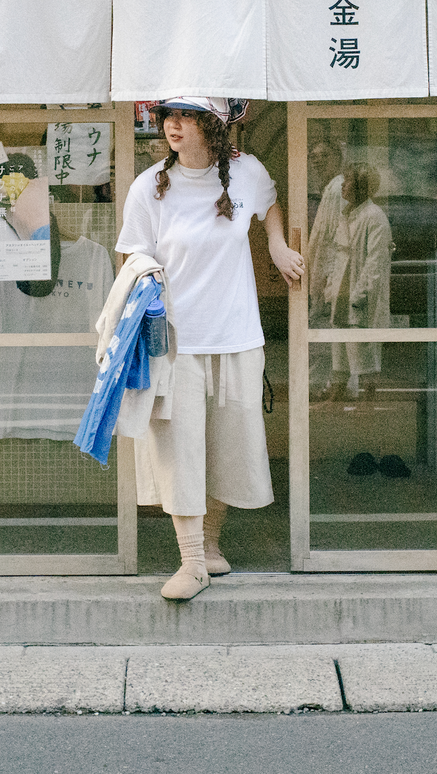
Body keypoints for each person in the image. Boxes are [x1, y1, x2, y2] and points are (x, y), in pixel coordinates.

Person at [114, 96, 304, 601]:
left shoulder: (247, 173)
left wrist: (277, 244)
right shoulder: (148, 187)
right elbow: (129, 254)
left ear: (213, 125)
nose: (174, 125)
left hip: (237, 336)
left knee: (226, 446)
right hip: (175, 343)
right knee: (179, 448)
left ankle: (212, 546)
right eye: (169, 116)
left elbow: (269, 206)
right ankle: (192, 561)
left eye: (188, 115)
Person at [311, 163, 393, 398]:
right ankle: (335, 398)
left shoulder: (374, 217)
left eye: (347, 182)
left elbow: (374, 265)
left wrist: (359, 296)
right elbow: (337, 254)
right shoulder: (346, 214)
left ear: (360, 187)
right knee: (340, 351)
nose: (343, 186)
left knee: (363, 353)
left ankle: (368, 404)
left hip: (359, 298)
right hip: (342, 294)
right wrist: (331, 289)